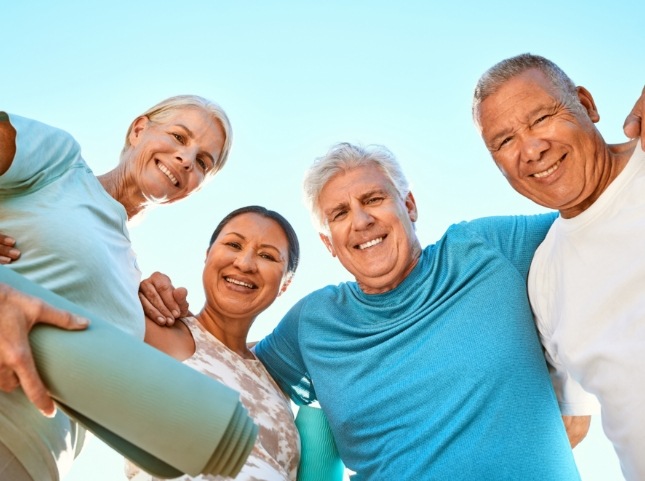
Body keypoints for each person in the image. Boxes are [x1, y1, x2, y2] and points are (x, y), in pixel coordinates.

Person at [245, 142, 579, 480]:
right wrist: (188, 324)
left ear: (409, 205)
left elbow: (596, 217)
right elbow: (232, 366)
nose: (361, 221)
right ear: (329, 242)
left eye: (373, 199)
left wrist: (579, 395)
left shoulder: (485, 249)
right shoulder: (314, 322)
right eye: (340, 213)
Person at [0, 95, 232, 481]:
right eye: (178, 136)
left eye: (203, 162)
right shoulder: (61, 163)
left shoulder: (133, 278)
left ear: (193, 188)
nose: (187, 158)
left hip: (37, 465)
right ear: (139, 130)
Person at [472, 53, 645, 481]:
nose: (531, 150)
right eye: (504, 141)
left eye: (541, 118)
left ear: (586, 105)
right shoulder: (545, 279)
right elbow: (572, 421)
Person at [128, 206, 301, 481]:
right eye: (233, 244)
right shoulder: (155, 328)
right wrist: (133, 290)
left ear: (285, 285)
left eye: (267, 256)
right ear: (208, 255)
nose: (245, 264)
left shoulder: (277, 380)